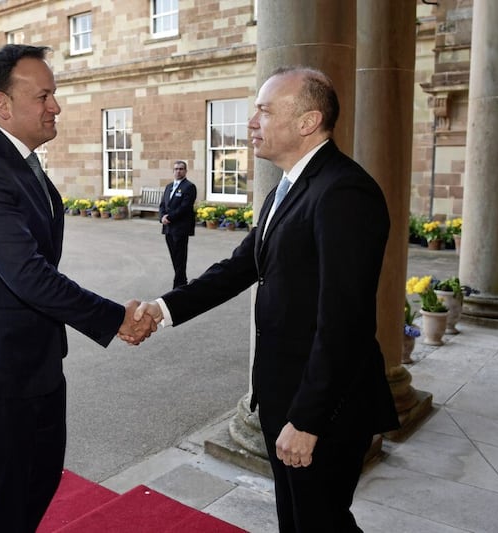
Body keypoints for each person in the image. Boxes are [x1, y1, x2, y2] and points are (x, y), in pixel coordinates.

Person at [133, 67, 399, 532]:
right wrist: (164, 307)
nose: (251, 123)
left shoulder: (344, 192)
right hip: (283, 399)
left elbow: (345, 321)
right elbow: (239, 267)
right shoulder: (288, 186)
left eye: (264, 110)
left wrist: (308, 419)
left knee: (321, 523)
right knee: (296, 521)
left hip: (323, 409)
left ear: (307, 122)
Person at [0, 44, 155, 533]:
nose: (55, 106)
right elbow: (28, 274)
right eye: (44, 96)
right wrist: (117, 318)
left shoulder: (22, 162)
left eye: (54, 94)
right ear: (2, 105)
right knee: (9, 503)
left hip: (35, 360)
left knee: (42, 478)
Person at [159, 160, 197, 288]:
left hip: (180, 228)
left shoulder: (189, 187)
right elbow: (163, 205)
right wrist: (162, 217)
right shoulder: (169, 186)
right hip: (168, 228)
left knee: (180, 257)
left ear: (185, 171)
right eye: (176, 169)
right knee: (174, 257)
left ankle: (178, 285)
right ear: (173, 171)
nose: (178, 171)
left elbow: (185, 207)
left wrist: (169, 217)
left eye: (181, 169)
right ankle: (182, 281)